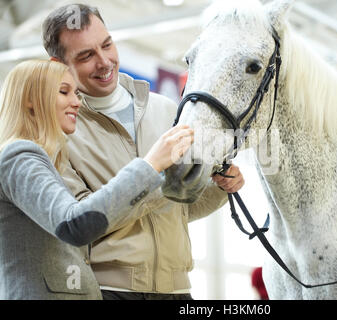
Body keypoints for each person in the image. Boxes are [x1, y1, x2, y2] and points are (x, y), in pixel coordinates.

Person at [42, 4, 245, 300]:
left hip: (178, 290)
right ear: (58, 64)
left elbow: (179, 208)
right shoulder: (56, 131)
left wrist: (220, 187)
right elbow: (83, 221)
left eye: (107, 45)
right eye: (86, 56)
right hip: (108, 291)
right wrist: (151, 169)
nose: (104, 62)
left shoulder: (165, 108)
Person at [0, 59, 194, 299]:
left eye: (76, 93)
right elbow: (75, 225)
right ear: (30, 99)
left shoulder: (48, 161)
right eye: (63, 92)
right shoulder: (19, 157)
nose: (76, 102)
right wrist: (150, 165)